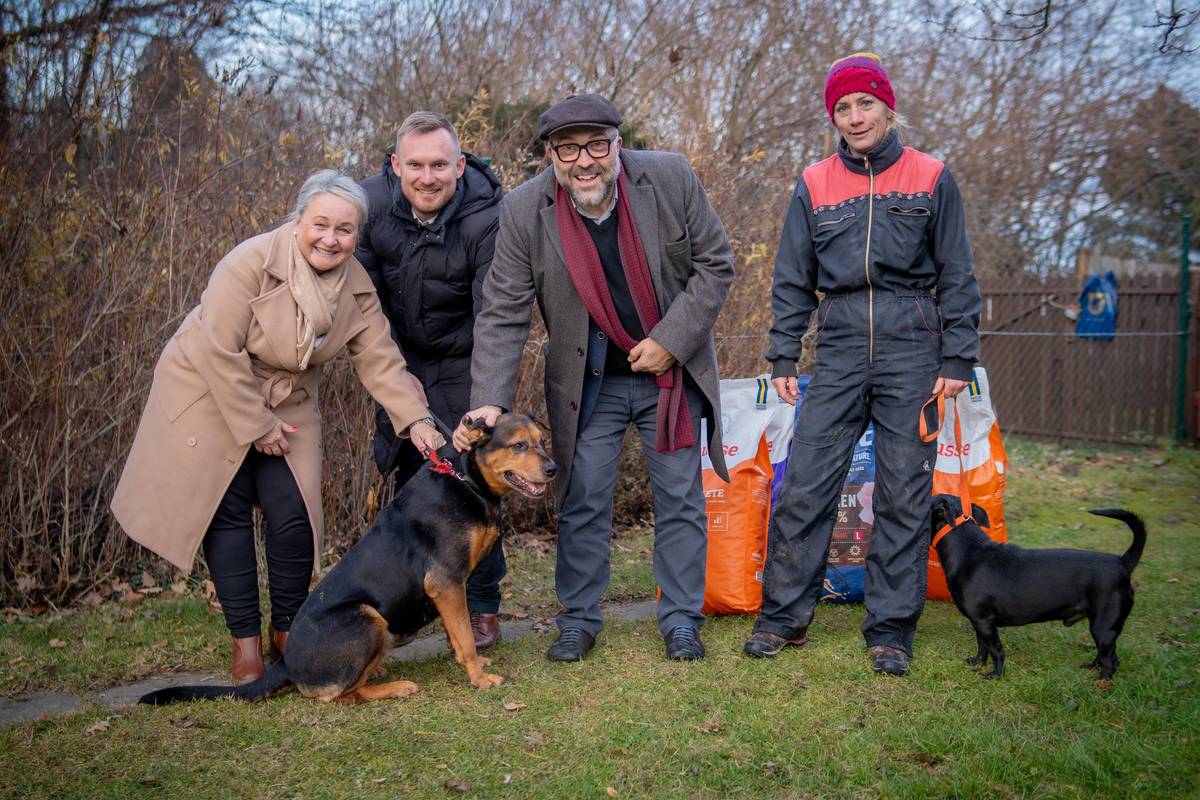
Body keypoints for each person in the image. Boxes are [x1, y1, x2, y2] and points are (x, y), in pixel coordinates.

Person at [111, 170, 443, 682]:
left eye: (345, 229)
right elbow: (217, 349)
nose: (331, 239)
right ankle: (245, 644)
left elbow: (379, 358)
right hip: (210, 388)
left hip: (288, 397)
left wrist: (415, 420)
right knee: (227, 512)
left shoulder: (356, 284)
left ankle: (288, 630)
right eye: (321, 224)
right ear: (298, 220)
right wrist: (255, 422)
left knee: (293, 514)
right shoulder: (248, 262)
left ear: (358, 235)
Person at [453, 94, 734, 662]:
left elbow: (715, 263)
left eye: (596, 145)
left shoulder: (671, 177)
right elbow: (504, 310)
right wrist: (488, 402)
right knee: (581, 501)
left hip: (669, 376)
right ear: (550, 154)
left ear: (617, 144)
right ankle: (578, 621)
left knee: (680, 499)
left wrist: (670, 341)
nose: (584, 161)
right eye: (568, 148)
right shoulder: (524, 209)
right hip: (590, 380)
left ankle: (681, 620)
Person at [742, 53, 982, 676]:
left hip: (914, 343)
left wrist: (959, 354)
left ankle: (891, 629)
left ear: (887, 106)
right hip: (841, 343)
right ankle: (782, 619)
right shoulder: (814, 182)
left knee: (904, 492)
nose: (854, 117)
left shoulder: (932, 176)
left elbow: (957, 273)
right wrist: (783, 352)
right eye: (842, 107)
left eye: (864, 103)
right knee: (807, 484)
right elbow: (793, 278)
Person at [356, 112, 507, 650]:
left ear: (459, 166)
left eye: (439, 165)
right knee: (411, 476)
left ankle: (484, 603)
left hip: (468, 357)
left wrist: (488, 395)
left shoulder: (488, 216)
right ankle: (423, 599)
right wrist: (397, 381)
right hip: (398, 357)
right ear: (396, 166)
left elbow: (496, 310)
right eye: (415, 165)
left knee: (469, 476)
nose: (427, 177)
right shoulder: (369, 208)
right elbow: (363, 305)